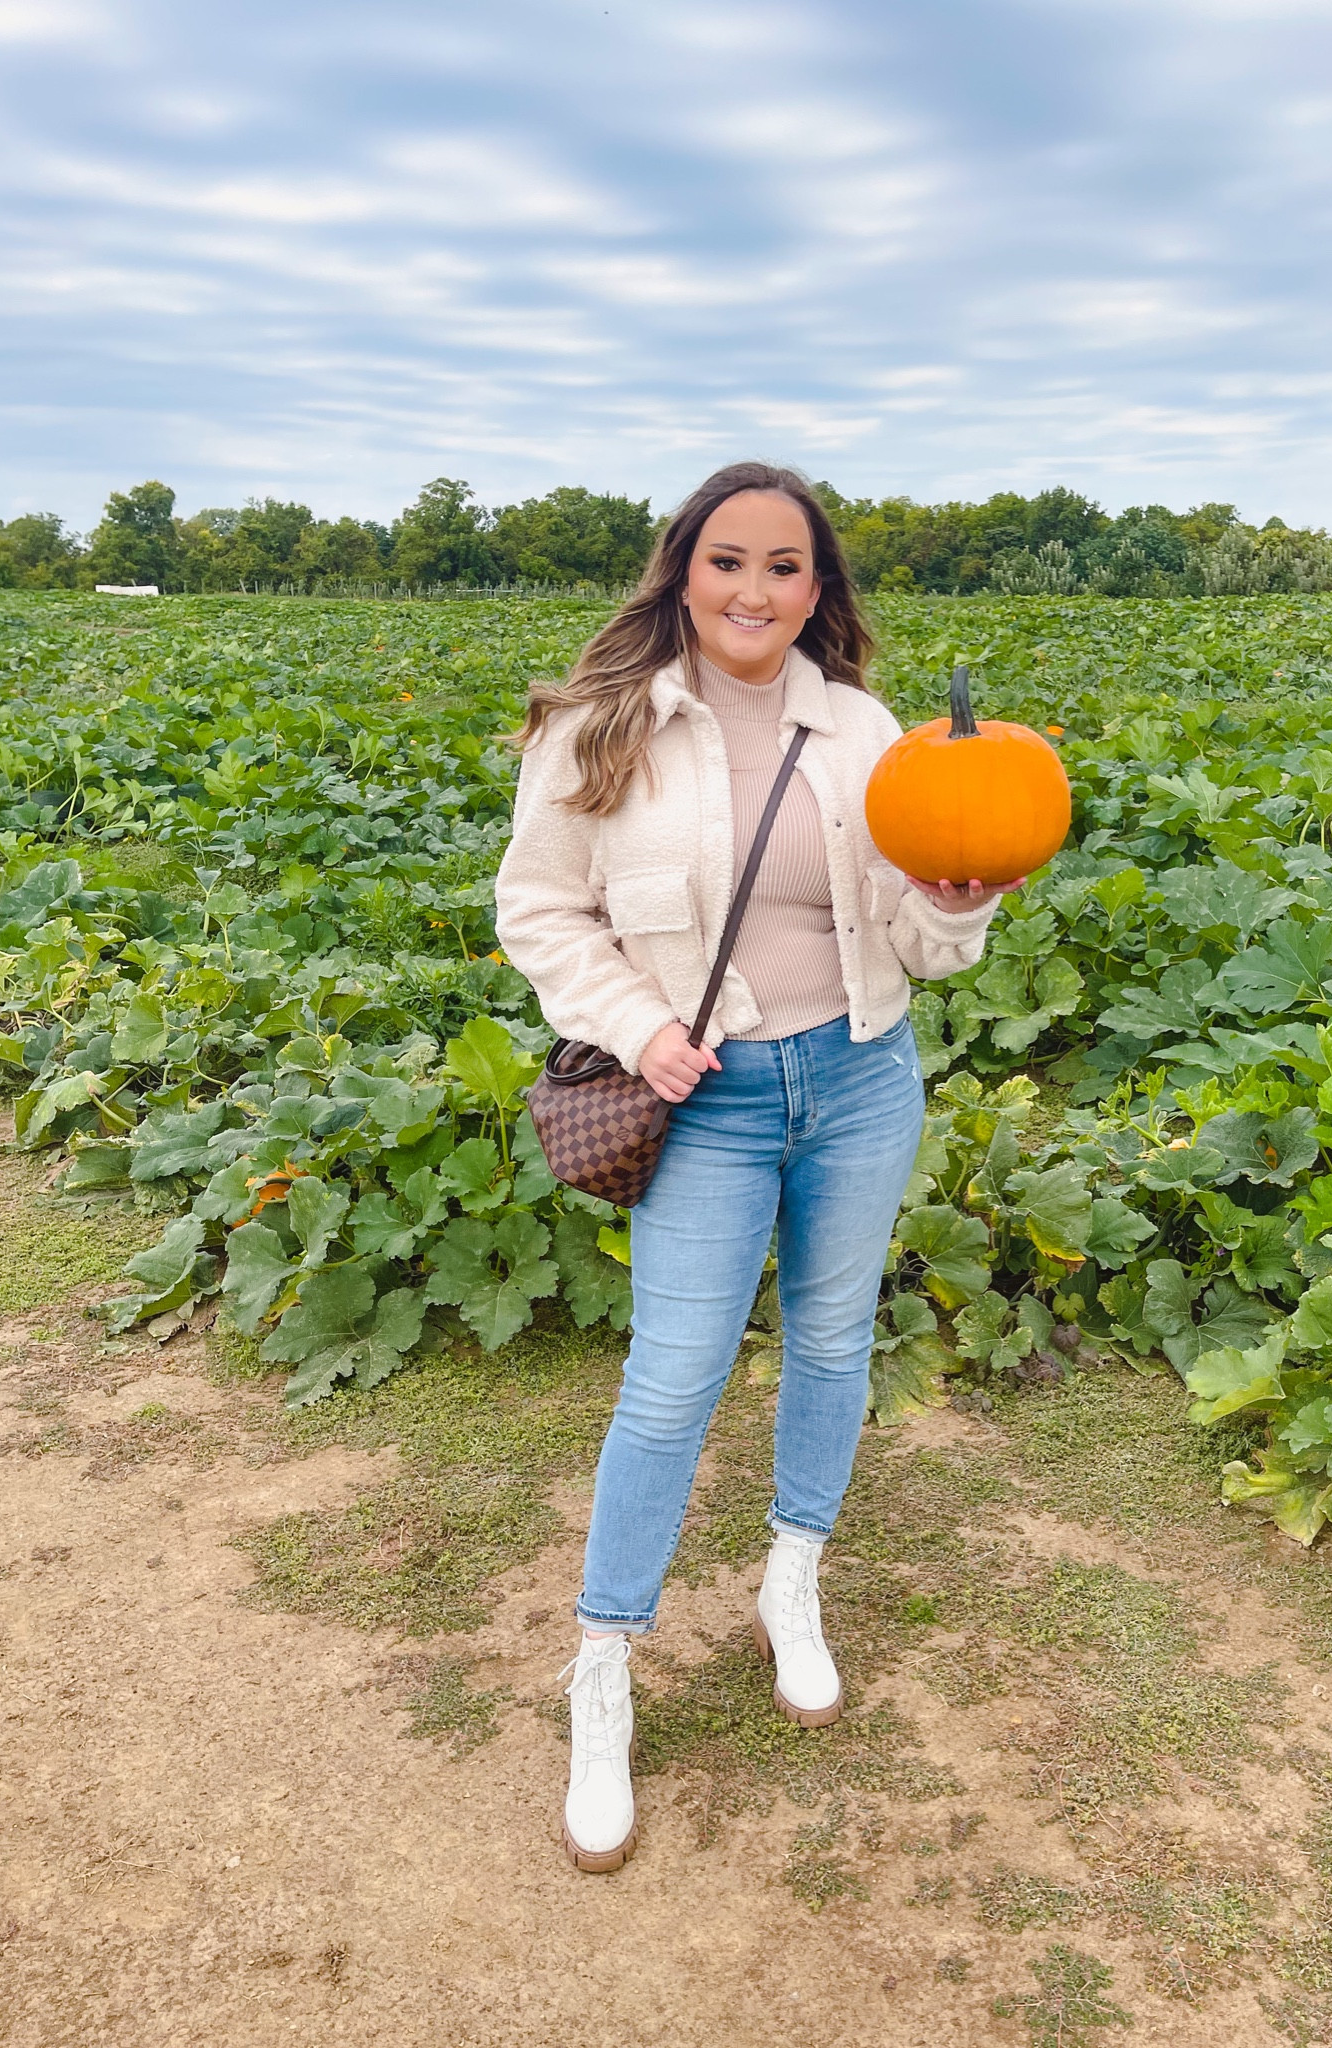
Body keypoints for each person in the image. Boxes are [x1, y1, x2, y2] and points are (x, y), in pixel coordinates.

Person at [494, 460, 1022, 1873]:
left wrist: (957, 908)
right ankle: (604, 1664)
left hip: (860, 1076)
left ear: (816, 589)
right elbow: (539, 910)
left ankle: (792, 1578)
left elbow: (916, 942)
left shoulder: (864, 733)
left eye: (785, 566)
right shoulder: (601, 726)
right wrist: (639, 1026)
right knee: (673, 1381)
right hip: (705, 1093)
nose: (753, 589)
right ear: (684, 571)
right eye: (728, 560)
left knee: (834, 1341)